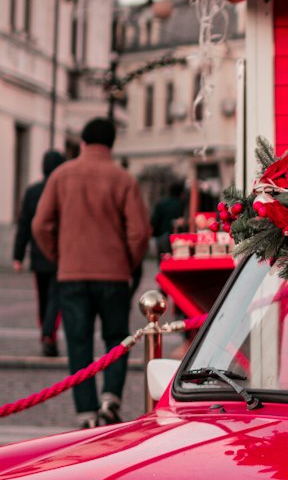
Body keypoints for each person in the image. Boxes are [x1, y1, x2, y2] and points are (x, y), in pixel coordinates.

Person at [32, 117, 151, 428]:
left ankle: (85, 413)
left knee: (78, 342)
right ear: (111, 144)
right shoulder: (123, 179)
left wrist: (60, 257)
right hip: (113, 276)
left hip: (71, 274)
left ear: (82, 142)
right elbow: (140, 233)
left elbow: (40, 225)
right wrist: (126, 261)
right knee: (117, 339)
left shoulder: (60, 176)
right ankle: (110, 398)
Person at [12, 150, 65, 356]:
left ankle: (46, 332)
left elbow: (24, 224)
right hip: (58, 253)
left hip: (37, 253)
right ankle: (48, 334)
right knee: (55, 297)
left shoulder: (32, 191)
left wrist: (18, 255)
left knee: (43, 297)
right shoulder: (61, 190)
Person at [151, 180, 185, 258]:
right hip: (179, 239)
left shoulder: (160, 203)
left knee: (163, 262)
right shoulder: (182, 204)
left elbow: (154, 221)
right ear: (181, 193)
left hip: (162, 237)